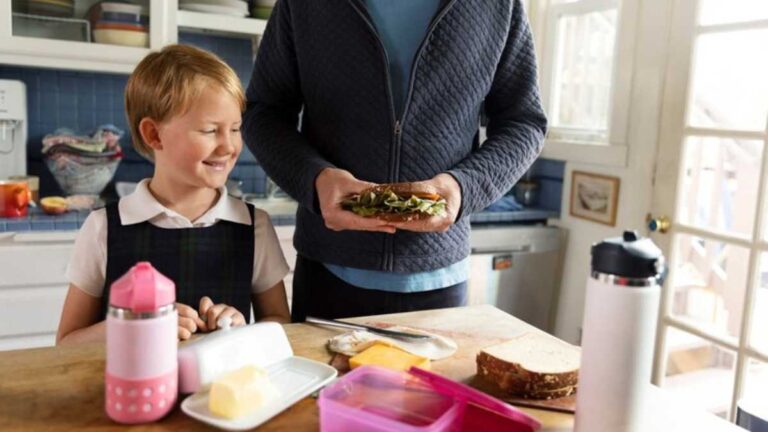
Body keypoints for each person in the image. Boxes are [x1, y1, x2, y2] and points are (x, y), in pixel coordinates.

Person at [244, 0, 547, 321]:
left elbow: (525, 124)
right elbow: (263, 114)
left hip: (441, 279)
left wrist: (462, 187)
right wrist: (315, 178)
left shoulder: (501, 5)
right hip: (329, 273)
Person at [57, 44, 291, 345]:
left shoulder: (254, 226)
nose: (229, 146)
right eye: (209, 131)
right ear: (154, 135)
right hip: (130, 391)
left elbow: (280, 322)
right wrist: (132, 327)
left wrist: (242, 327)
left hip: (220, 392)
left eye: (235, 129)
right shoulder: (104, 228)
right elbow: (66, 344)